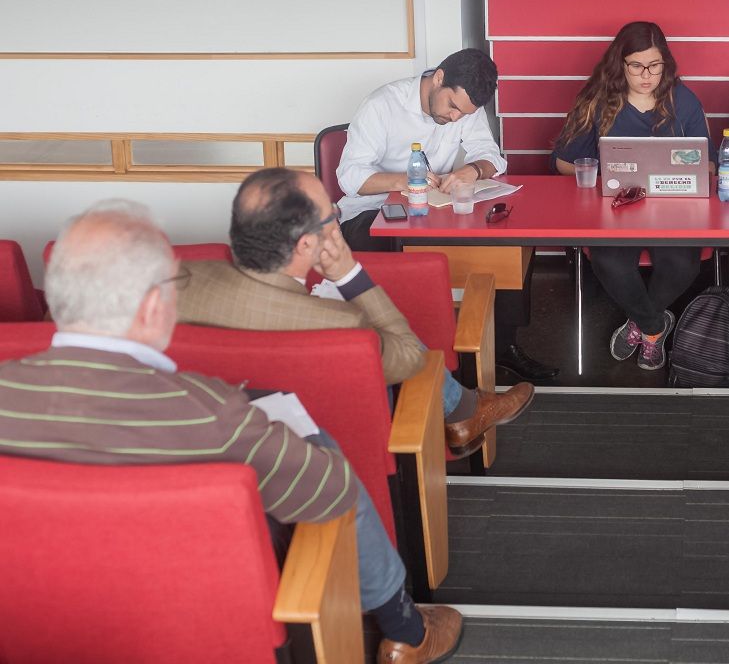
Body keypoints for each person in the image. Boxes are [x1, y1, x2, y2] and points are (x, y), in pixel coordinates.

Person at [0, 200, 464, 663]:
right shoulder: (211, 413)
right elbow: (332, 491)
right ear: (153, 307)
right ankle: (406, 629)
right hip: (193, 627)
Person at [178, 167, 533, 456]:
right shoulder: (341, 323)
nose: (337, 219)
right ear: (307, 243)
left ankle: (464, 410)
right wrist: (350, 275)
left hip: (201, 445)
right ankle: (464, 412)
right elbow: (410, 356)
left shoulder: (176, 285)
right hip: (329, 458)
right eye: (332, 214)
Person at [336, 48, 558, 384]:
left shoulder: (465, 107)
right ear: (439, 78)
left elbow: (492, 156)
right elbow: (349, 177)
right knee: (396, 251)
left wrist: (472, 170)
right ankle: (408, 356)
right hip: (372, 211)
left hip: (433, 207)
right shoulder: (382, 104)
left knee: (506, 241)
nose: (455, 118)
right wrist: (403, 181)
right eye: (452, 106)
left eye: (463, 113)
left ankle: (501, 346)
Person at [551, 21, 711, 371]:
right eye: (636, 65)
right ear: (619, 63)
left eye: (655, 65)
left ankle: (641, 325)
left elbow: (708, 163)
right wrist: (604, 176)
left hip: (674, 208)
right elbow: (564, 162)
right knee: (610, 261)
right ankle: (654, 326)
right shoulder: (597, 99)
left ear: (666, 63)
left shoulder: (683, 100)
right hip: (615, 208)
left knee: (683, 264)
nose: (646, 75)